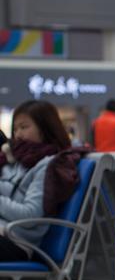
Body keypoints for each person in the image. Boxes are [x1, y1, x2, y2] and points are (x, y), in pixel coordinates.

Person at [0, 100, 84, 260]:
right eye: (15, 129)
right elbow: (9, 189)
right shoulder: (19, 160)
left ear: (45, 129)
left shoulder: (49, 165)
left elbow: (30, 215)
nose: (18, 134)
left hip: (17, 242)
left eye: (24, 127)